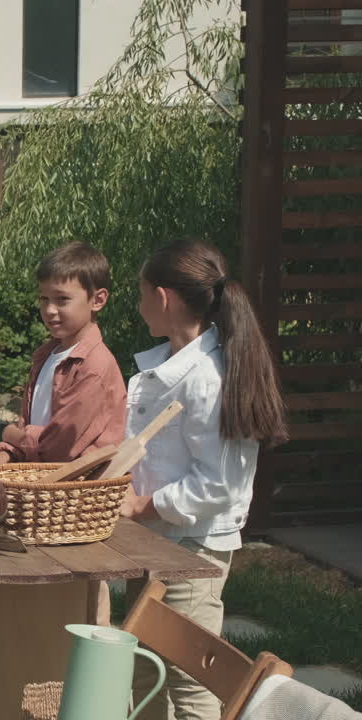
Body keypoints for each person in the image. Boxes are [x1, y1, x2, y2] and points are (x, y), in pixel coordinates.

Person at [121, 240, 287, 720]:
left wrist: (141, 505)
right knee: (144, 671)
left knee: (192, 687)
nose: (139, 306)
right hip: (157, 543)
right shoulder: (170, 367)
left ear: (164, 297)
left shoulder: (207, 377)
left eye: (141, 294)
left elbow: (218, 485)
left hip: (191, 550)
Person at [0, 242, 126, 464]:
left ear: (98, 300)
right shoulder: (46, 355)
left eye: (62, 299)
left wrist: (9, 434)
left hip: (72, 492)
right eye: (44, 299)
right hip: (39, 484)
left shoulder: (94, 366)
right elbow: (29, 430)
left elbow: (56, 448)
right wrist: (9, 449)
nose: (49, 310)